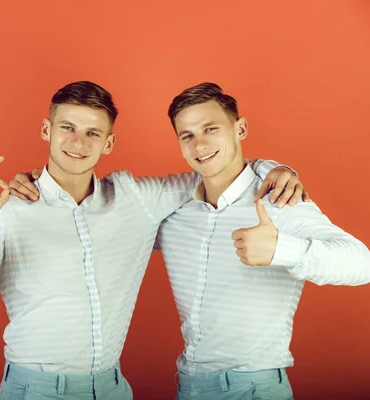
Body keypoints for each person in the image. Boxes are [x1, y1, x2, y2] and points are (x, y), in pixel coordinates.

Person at [0, 81, 304, 400]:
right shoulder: (9, 207)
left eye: (93, 133)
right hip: (34, 389)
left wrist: (276, 168)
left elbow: (216, 169)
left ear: (108, 143)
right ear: (46, 130)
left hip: (112, 389)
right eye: (67, 127)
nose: (78, 142)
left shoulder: (135, 199)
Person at [156, 82, 370, 399]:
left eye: (210, 128)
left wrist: (282, 250)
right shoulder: (173, 210)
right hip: (188, 385)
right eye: (187, 135)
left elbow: (362, 264)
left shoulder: (277, 201)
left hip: (253, 388)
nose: (199, 144)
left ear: (239, 128)